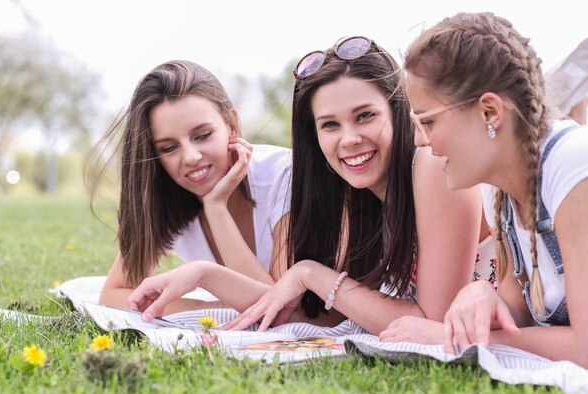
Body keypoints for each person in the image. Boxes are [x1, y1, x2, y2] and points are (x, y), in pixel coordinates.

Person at [127, 37, 495, 336]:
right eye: (330, 125)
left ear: (397, 111)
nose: (349, 139)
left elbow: (429, 323)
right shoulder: (353, 193)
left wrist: (311, 274)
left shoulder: (432, 166)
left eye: (365, 116)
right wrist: (205, 274)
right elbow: (327, 318)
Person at [397, 12, 588, 367]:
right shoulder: (496, 191)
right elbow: (521, 315)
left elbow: (584, 348)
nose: (423, 141)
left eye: (428, 121)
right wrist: (483, 294)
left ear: (489, 112)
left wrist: (444, 337)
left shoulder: (574, 167)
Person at [86, 60, 292, 313]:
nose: (191, 157)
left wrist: (216, 208)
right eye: (169, 148)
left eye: (203, 135)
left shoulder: (283, 175)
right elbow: (113, 294)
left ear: (232, 125)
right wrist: (207, 307)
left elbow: (280, 309)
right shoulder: (166, 198)